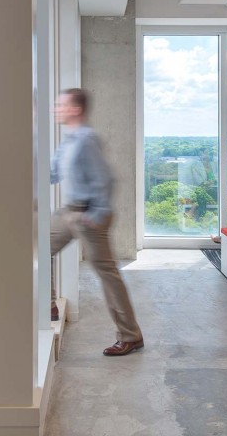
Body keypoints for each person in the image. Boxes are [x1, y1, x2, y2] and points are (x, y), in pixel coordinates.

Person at [50, 88, 144, 356]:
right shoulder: (67, 142)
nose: (57, 108)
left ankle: (130, 336)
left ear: (76, 109)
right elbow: (53, 174)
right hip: (70, 212)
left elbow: (105, 178)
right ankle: (49, 305)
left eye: (61, 104)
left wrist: (97, 213)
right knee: (37, 247)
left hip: (89, 214)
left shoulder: (87, 139)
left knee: (107, 273)